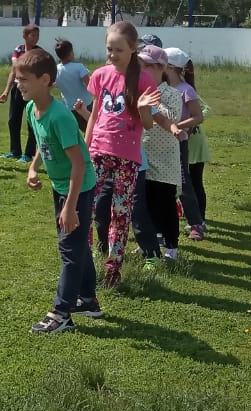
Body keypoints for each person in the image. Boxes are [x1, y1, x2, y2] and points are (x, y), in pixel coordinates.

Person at [17, 48, 99, 334]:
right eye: (17, 79)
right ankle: (87, 299)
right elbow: (44, 143)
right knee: (76, 244)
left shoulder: (60, 116)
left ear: (45, 80)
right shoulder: (31, 109)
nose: (19, 84)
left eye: (24, 79)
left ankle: (61, 313)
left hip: (79, 187)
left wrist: (70, 206)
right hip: (61, 186)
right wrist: (33, 168)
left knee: (69, 249)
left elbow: (79, 164)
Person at [84, 22, 161, 287]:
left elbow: (148, 125)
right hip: (98, 152)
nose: (112, 54)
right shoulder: (100, 75)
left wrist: (142, 107)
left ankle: (113, 270)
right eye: (109, 49)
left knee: (120, 213)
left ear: (132, 49)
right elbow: (95, 114)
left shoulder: (144, 80)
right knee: (86, 207)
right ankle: (84, 264)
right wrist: (85, 147)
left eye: (118, 50)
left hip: (127, 158)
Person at [135, 46, 183, 264]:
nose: (141, 70)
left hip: (165, 159)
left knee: (165, 204)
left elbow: (172, 116)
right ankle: (150, 242)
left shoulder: (171, 93)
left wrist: (152, 104)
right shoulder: (138, 91)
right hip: (143, 156)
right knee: (145, 204)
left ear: (161, 68)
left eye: (146, 66)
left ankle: (172, 247)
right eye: (139, 66)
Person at [162, 48, 207, 240]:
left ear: (171, 67)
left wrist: (174, 126)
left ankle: (196, 224)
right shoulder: (160, 88)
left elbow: (198, 117)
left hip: (178, 143)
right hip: (159, 144)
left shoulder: (186, 90)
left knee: (183, 183)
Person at [0, 24, 40, 163]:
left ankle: (29, 153)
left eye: (37, 35)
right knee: (13, 120)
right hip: (18, 87)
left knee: (31, 121)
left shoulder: (39, 52)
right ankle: (15, 151)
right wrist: (6, 91)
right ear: (25, 36)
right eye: (32, 35)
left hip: (32, 89)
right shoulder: (19, 50)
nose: (35, 38)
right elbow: (14, 70)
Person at [181, 59, 212, 238]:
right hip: (183, 142)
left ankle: (200, 219)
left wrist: (191, 123)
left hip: (194, 143)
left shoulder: (187, 90)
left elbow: (207, 110)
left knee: (195, 181)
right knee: (185, 182)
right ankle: (189, 214)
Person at [53, 39, 92, 132]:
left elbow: (55, 83)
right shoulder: (79, 67)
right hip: (85, 105)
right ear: (71, 53)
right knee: (92, 129)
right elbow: (90, 85)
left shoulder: (56, 70)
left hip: (69, 107)